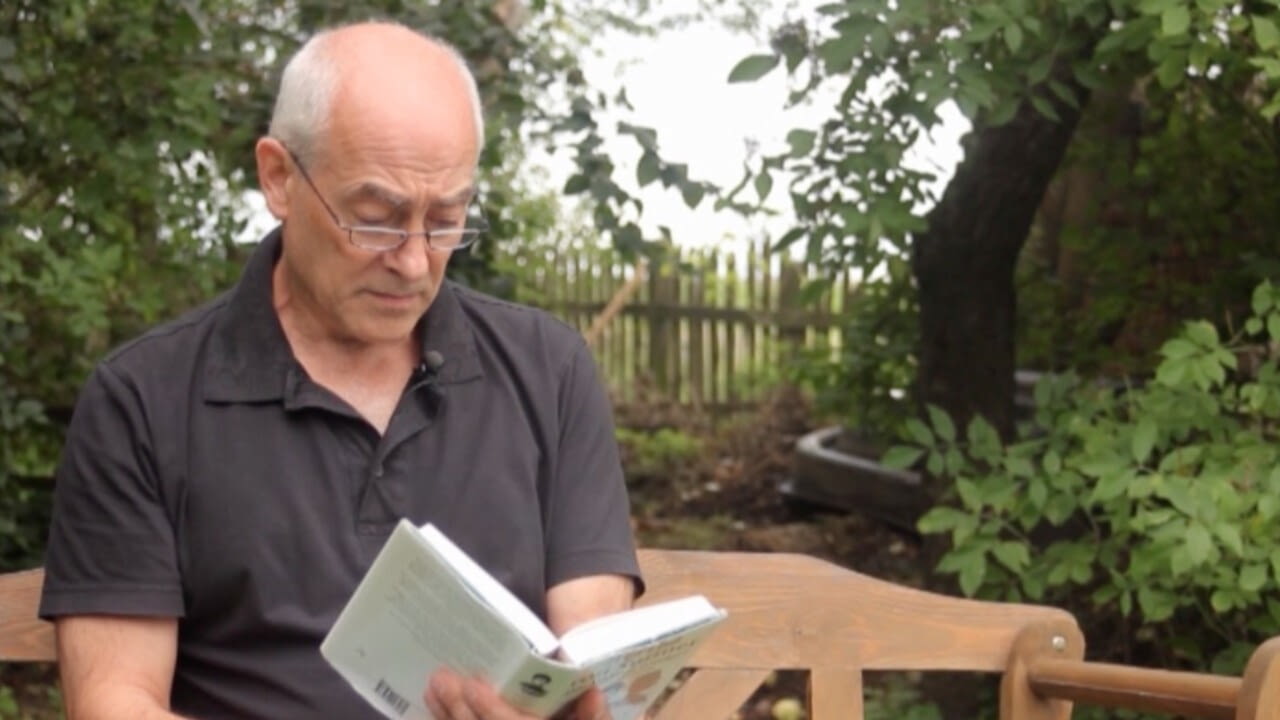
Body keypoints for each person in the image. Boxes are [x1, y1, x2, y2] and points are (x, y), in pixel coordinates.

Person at [39, 21, 641, 720]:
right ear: (279, 178)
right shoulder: (144, 401)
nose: (413, 262)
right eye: (376, 218)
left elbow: (591, 665)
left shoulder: (548, 371)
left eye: (446, 220)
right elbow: (113, 702)